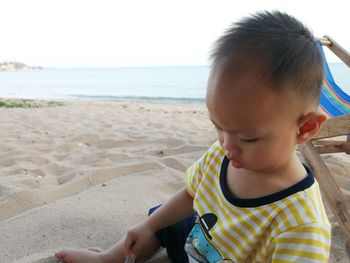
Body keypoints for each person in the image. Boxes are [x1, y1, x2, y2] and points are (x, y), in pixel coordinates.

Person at [55, 10, 331, 263]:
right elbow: (191, 194)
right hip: (196, 245)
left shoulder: (301, 224)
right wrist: (148, 227)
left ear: (305, 129)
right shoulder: (220, 155)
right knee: (162, 217)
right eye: (219, 127)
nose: (227, 145)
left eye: (248, 139)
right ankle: (110, 258)